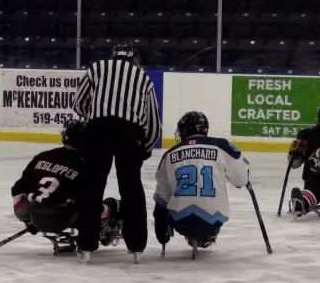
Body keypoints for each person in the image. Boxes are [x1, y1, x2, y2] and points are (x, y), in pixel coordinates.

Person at [72, 43, 162, 264]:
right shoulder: (144, 78)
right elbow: (152, 124)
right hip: (130, 133)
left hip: (98, 129)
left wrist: (95, 118)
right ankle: (136, 246)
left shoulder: (96, 68)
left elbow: (79, 103)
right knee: (131, 187)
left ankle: (85, 245)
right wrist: (145, 149)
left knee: (92, 186)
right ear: (134, 60)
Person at [11, 119, 123, 253]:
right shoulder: (84, 164)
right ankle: (103, 230)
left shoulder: (42, 156)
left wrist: (28, 221)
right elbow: (89, 199)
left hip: (37, 217)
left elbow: (17, 189)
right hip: (65, 218)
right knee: (114, 205)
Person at [153, 112, 250, 255]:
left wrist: (160, 223)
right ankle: (206, 234)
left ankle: (191, 232)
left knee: (167, 205)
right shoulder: (222, 146)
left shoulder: (169, 154)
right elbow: (242, 179)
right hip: (214, 220)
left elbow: (161, 198)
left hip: (181, 222)